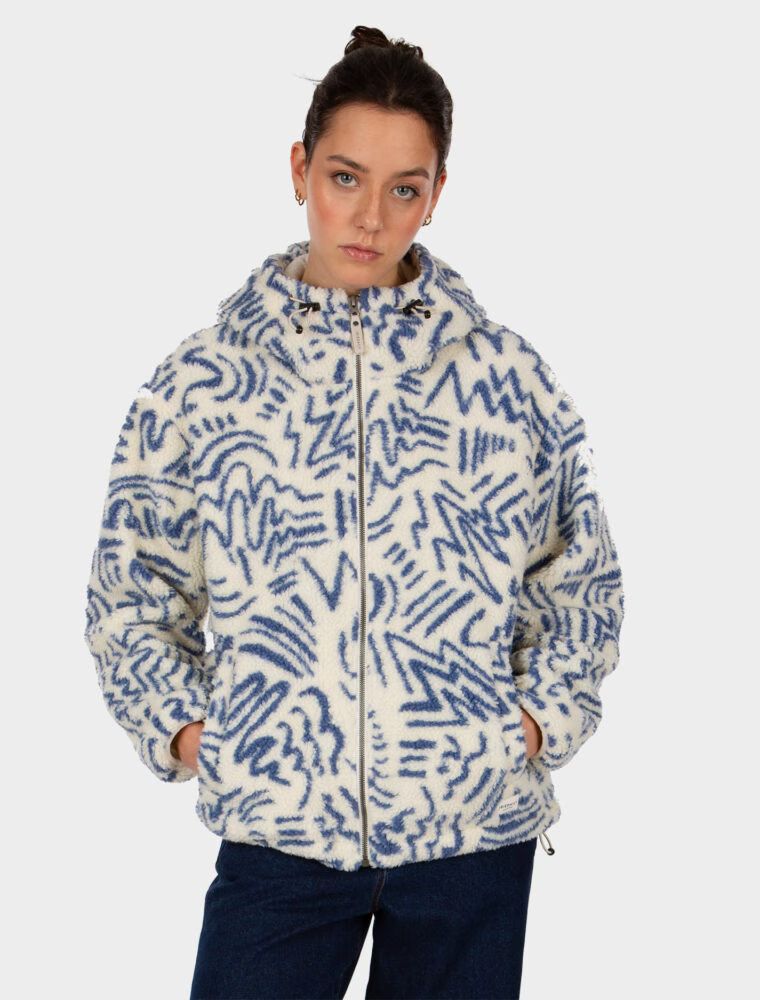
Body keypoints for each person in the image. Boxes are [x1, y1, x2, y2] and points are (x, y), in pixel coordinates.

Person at [83, 23, 625, 1000]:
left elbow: (579, 585)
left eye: (403, 189)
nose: (370, 216)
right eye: (344, 178)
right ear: (299, 170)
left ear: (437, 193)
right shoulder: (203, 383)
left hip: (470, 841)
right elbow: (132, 597)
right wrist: (201, 735)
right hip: (280, 840)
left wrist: (529, 726)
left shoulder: (507, 382)